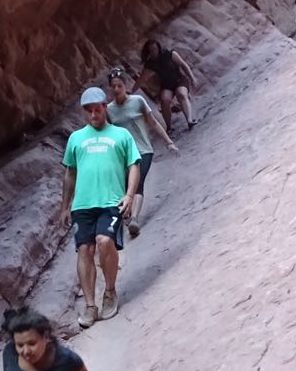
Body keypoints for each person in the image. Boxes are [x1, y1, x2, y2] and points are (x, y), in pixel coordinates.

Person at [60, 86, 141, 328]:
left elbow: (134, 165)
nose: (94, 115)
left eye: (97, 109)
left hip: (111, 201)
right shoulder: (76, 139)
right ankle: (90, 305)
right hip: (83, 205)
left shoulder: (121, 136)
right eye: (89, 111)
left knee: (104, 242)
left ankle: (110, 291)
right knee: (84, 250)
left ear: (105, 107)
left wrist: (129, 194)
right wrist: (65, 206)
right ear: (85, 112)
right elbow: (70, 172)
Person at [106, 67, 177, 236]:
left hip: (143, 150)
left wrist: (169, 142)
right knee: (124, 188)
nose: (116, 90)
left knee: (137, 184)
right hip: (123, 156)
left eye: (119, 86)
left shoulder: (137, 101)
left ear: (125, 85)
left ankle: (135, 220)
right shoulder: (108, 110)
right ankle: (128, 216)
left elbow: (152, 123)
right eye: (113, 86)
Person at [139, 38, 199, 132]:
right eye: (151, 50)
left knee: (181, 94)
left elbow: (184, 65)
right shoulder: (150, 64)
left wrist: (192, 78)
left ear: (158, 48)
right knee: (165, 100)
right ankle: (169, 127)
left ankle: (189, 120)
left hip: (179, 80)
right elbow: (141, 79)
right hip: (167, 85)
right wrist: (131, 91)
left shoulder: (170, 54)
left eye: (155, 49)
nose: (153, 52)